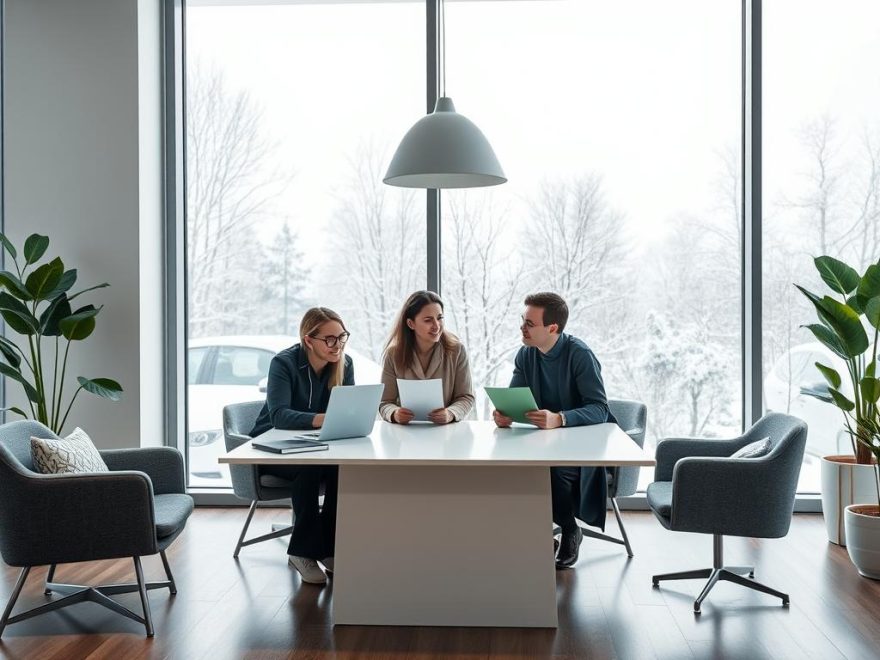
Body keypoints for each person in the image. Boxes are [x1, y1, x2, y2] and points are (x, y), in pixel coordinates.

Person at [493, 292, 616, 569]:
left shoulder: (580, 355)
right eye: (522, 321)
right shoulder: (526, 354)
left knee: (550, 471)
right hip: (541, 443)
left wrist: (559, 418)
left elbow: (599, 408)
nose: (522, 329)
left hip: (581, 447)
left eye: (529, 324)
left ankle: (570, 529)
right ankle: (535, 534)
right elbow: (516, 398)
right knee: (507, 468)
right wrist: (505, 415)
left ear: (552, 328)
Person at [249, 307, 354, 585]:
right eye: (330, 339)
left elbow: (348, 409)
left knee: (342, 470)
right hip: (272, 447)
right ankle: (301, 552)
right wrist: (325, 419)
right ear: (309, 340)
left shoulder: (345, 363)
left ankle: (329, 548)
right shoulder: (283, 364)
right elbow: (279, 415)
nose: (337, 345)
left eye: (342, 337)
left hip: (318, 446)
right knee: (310, 468)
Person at [380, 290, 474, 424]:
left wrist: (450, 413)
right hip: (406, 434)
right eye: (428, 320)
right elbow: (385, 402)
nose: (436, 326)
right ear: (411, 324)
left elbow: (466, 397)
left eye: (440, 318)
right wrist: (394, 413)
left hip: (446, 433)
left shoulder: (457, 351)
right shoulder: (393, 354)